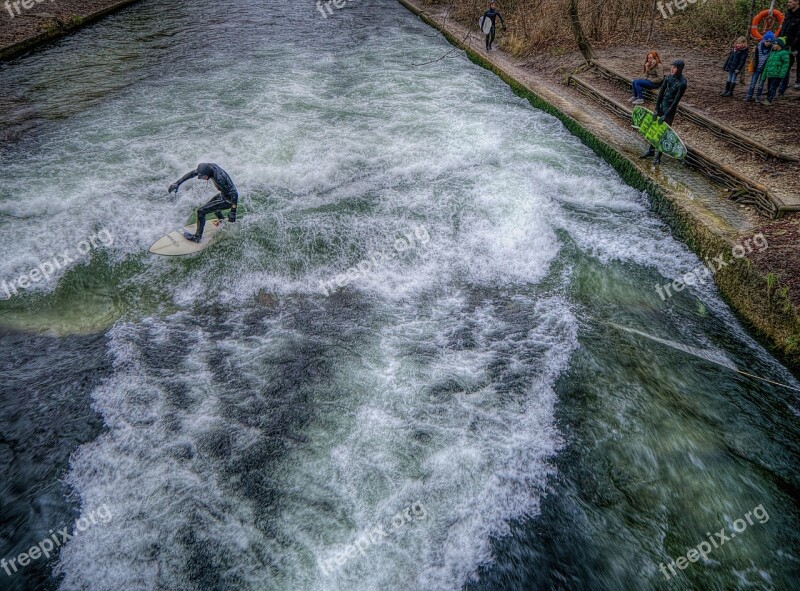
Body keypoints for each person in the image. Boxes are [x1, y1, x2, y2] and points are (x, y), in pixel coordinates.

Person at [168, 163, 238, 243]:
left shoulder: (219, 178)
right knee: (212, 206)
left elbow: (234, 193)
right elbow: (191, 174)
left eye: (203, 177)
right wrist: (177, 183)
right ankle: (222, 222)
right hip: (223, 195)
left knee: (201, 211)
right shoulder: (208, 167)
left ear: (207, 173)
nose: (202, 178)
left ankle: (197, 237)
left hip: (229, 200)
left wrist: (233, 211)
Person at [640, 59, 687, 165]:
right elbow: (661, 94)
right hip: (662, 105)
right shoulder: (668, 78)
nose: (672, 69)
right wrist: (656, 108)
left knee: (664, 131)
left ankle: (658, 156)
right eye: (672, 67)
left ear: (679, 69)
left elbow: (676, 101)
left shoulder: (682, 83)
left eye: (675, 68)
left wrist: (666, 114)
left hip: (670, 109)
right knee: (655, 128)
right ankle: (651, 151)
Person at [744, 31, 775, 102]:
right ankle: (749, 95)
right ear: (764, 40)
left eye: (770, 42)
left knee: (761, 84)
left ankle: (758, 97)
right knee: (753, 83)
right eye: (767, 41)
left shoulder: (772, 49)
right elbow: (754, 57)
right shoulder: (758, 47)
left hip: (764, 69)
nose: (768, 43)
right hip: (756, 67)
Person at [777, 0, 800, 95]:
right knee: (785, 65)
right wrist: (779, 41)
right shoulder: (788, 15)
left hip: (797, 45)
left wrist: (794, 46)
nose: (788, 4)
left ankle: (798, 83)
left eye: (790, 2)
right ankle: (782, 88)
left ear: (797, 2)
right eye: (787, 2)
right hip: (786, 44)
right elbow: (783, 29)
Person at [760, 37, 791, 105]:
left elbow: (785, 65)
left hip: (777, 74)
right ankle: (768, 99)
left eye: (774, 44)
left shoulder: (784, 53)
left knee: (772, 88)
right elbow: (767, 65)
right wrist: (764, 75)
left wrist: (782, 74)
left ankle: (769, 100)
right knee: (769, 87)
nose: (773, 45)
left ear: (779, 45)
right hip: (770, 74)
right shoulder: (772, 53)